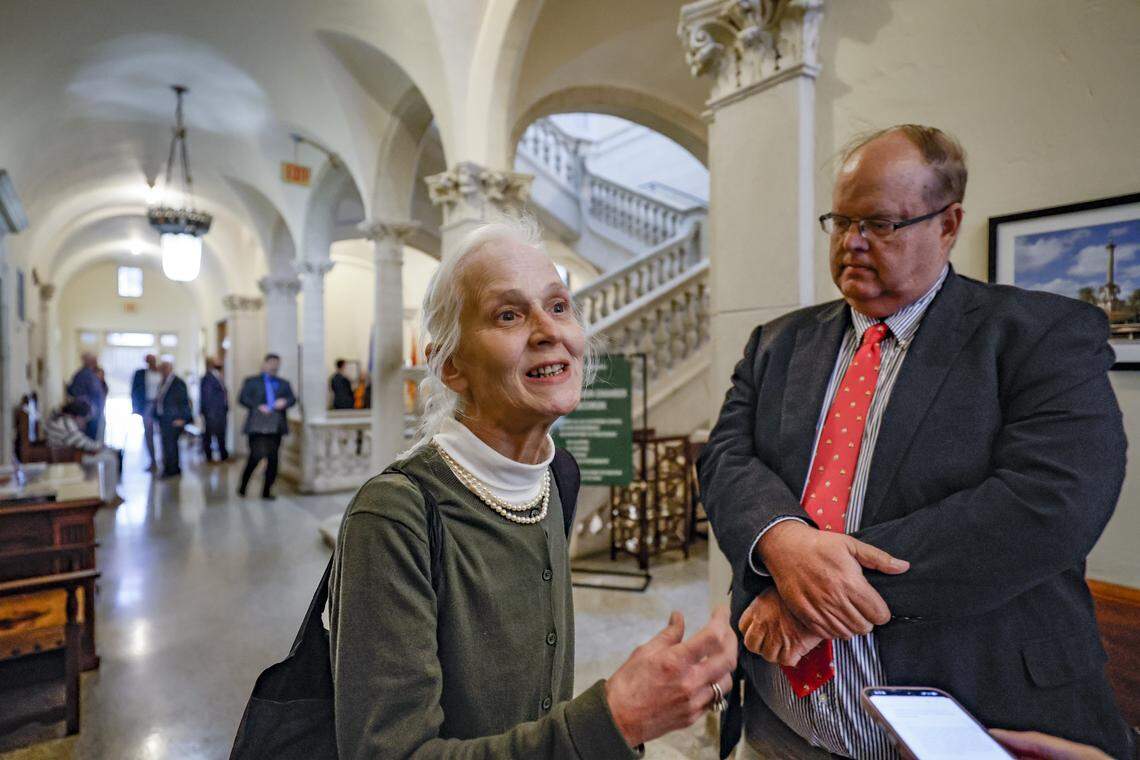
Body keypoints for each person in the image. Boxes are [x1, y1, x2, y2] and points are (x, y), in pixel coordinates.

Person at [699, 124, 1134, 759]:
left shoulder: (1040, 335)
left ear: (948, 223)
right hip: (782, 724)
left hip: (969, 723)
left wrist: (810, 591)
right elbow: (727, 459)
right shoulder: (777, 342)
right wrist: (782, 542)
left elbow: (1048, 505)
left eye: (880, 223)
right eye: (841, 220)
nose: (852, 243)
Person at [328, 220, 738, 759]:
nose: (549, 330)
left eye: (560, 306)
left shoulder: (556, 476)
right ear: (450, 365)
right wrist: (612, 720)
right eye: (509, 314)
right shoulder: (393, 518)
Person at [237, 353, 295, 499]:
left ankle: (267, 491)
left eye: (277, 363)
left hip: (276, 426)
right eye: (272, 363)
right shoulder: (251, 381)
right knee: (255, 456)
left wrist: (284, 403)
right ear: (265, 363)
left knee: (273, 459)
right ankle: (243, 486)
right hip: (257, 425)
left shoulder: (283, 383)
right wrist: (258, 406)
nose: (274, 366)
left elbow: (292, 399)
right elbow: (242, 399)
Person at [44, 399, 122, 502]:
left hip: (69, 453)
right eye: (84, 420)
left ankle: (108, 494)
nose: (84, 424)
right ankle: (108, 498)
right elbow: (84, 443)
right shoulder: (67, 422)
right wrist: (102, 446)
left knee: (107, 455)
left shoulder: (61, 419)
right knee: (110, 459)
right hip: (68, 457)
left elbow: (79, 442)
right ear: (78, 416)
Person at [154, 361, 192, 479]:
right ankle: (169, 468)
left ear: (170, 368)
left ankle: (172, 470)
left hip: (174, 419)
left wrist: (183, 419)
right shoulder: (163, 382)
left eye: (165, 368)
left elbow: (185, 402)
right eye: (161, 369)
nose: (163, 371)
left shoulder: (178, 383)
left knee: (171, 446)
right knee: (165, 445)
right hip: (163, 418)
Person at [130, 354, 162, 470]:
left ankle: (163, 460)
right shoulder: (140, 373)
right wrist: (135, 407)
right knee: (149, 434)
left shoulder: (161, 372)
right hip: (147, 406)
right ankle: (152, 461)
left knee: (162, 434)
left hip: (159, 406)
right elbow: (134, 390)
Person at [67, 352, 105, 441]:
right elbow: (74, 392)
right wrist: (86, 408)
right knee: (88, 439)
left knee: (93, 438)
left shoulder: (91, 373)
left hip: (94, 412)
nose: (96, 361)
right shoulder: (83, 374)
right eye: (93, 359)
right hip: (88, 413)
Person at [199, 359, 229, 462]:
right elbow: (207, 398)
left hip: (220, 411)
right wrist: (209, 413)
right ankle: (209, 457)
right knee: (209, 435)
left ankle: (223, 455)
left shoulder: (218, 376)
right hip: (212, 412)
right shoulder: (207, 378)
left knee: (221, 433)